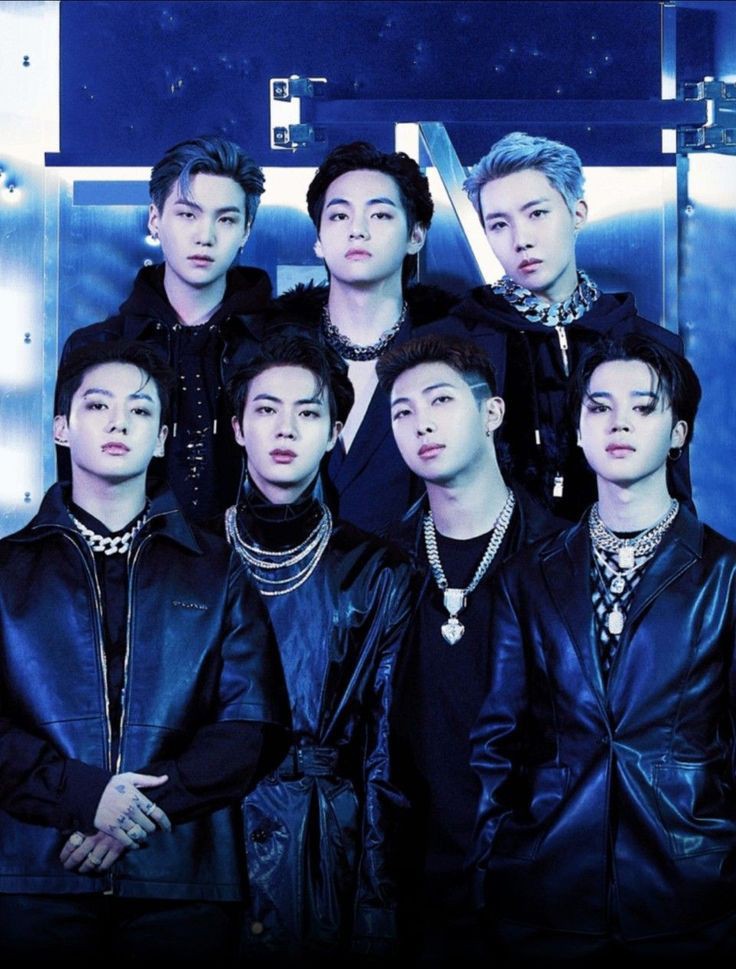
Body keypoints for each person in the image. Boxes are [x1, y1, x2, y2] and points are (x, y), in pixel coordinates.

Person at [0, 340, 288, 964]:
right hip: (33, 878)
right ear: (61, 428)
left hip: (182, 881)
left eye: (139, 410)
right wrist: (82, 796)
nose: (118, 423)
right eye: (97, 406)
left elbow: (251, 726)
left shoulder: (216, 570)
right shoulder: (6, 571)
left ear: (160, 439)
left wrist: (135, 810)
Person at [470, 332, 736, 963]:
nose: (620, 423)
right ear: (579, 431)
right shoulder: (526, 577)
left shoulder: (724, 575)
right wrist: (494, 862)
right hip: (546, 889)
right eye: (599, 407)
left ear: (678, 433)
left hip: (690, 891)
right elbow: (496, 742)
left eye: (643, 407)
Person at [223, 334, 414, 964]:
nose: (286, 429)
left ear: (334, 432)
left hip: (326, 848)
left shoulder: (377, 570)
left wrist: (377, 907)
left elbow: (386, 755)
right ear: (238, 428)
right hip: (204, 842)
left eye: (308, 412)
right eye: (266, 409)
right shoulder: (187, 556)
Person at [375, 333, 563, 965]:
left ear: (492, 412)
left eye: (441, 400)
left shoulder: (560, 560)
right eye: (402, 412)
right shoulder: (379, 568)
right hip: (409, 882)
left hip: (537, 879)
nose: (421, 424)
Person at [432, 131, 692, 522]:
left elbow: (674, 497)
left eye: (537, 214)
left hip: (619, 553)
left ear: (577, 214)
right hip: (495, 555)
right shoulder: (452, 345)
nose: (521, 240)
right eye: (499, 224)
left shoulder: (651, 344)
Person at [60, 135, 270, 523]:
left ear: (246, 231)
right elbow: (75, 494)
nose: (205, 236)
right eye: (188, 214)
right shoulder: (99, 347)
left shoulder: (278, 346)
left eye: (225, 219)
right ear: (155, 219)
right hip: (132, 556)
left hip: (258, 556)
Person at [267, 140, 460, 535]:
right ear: (318, 239)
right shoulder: (268, 354)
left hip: (414, 571)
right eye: (339, 216)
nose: (357, 230)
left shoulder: (455, 358)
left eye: (380, 215)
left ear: (416, 235)